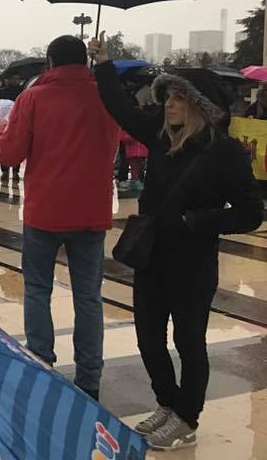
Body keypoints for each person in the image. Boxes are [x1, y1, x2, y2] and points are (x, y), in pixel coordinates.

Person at [89, 33, 263, 449]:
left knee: (188, 341)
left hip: (192, 260)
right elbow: (119, 108)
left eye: (178, 99)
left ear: (199, 105)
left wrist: (198, 220)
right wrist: (103, 64)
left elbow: (251, 212)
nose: (168, 104)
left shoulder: (225, 152)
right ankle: (167, 404)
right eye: (167, 97)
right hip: (152, 256)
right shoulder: (160, 135)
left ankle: (187, 417)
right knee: (148, 336)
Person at [0, 35, 119, 403]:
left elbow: (10, 156)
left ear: (50, 62)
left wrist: (2, 132)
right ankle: (90, 378)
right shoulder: (106, 96)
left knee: (37, 289)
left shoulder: (33, 98)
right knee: (88, 297)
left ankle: (41, 363)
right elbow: (116, 140)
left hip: (46, 210)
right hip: (91, 211)